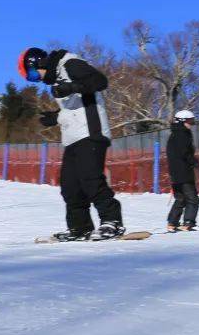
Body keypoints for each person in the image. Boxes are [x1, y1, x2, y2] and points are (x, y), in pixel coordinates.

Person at [17, 47, 125, 240]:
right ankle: (80, 228)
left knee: (90, 178)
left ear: (40, 63)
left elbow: (100, 81)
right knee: (70, 186)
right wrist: (55, 117)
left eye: (33, 74)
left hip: (91, 132)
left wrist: (72, 87)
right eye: (31, 78)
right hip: (73, 137)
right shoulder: (58, 77)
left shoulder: (70, 64)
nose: (37, 79)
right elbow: (74, 108)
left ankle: (112, 221)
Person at [166, 109, 199, 231]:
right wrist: (198, 166)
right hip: (184, 173)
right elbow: (186, 154)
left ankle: (172, 223)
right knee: (192, 198)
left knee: (181, 198)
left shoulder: (173, 134)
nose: (191, 124)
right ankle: (189, 223)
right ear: (182, 121)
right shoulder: (183, 134)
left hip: (175, 173)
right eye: (190, 121)